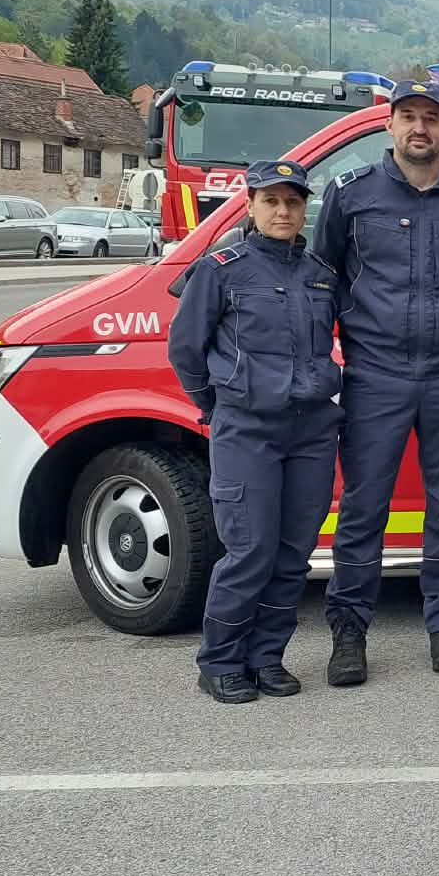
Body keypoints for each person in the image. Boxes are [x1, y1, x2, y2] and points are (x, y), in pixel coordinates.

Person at [312, 80, 439, 684]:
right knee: (365, 509)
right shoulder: (351, 195)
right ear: (389, 125)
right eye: (408, 117)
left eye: (431, 118)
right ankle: (349, 632)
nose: (419, 128)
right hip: (376, 375)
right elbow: (327, 275)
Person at [166, 160, 342, 704]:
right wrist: (219, 406)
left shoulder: (319, 274)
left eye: (292, 202)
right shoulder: (221, 269)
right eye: (272, 201)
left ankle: (268, 658)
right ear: (251, 206)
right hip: (247, 429)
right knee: (249, 551)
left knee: (294, 555)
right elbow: (186, 349)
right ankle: (220, 660)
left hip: (311, 430)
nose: (283, 211)